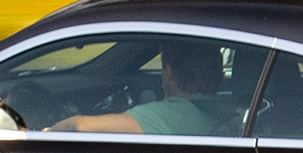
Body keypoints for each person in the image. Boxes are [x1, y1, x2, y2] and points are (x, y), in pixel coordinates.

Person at [51, 41, 226, 135]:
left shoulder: (168, 116)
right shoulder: (226, 108)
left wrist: (48, 132)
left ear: (169, 71)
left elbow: (82, 127)